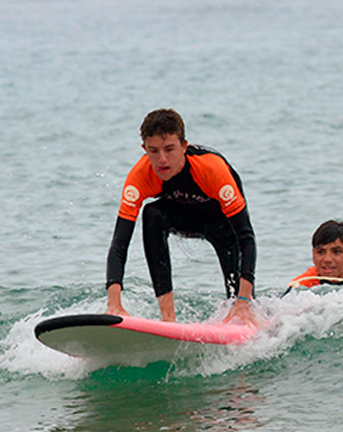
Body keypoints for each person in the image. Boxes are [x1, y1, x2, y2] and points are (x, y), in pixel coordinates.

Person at [104, 108, 258, 325]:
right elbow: (119, 243)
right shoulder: (140, 176)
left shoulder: (212, 169)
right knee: (153, 214)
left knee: (239, 302)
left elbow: (246, 238)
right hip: (183, 218)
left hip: (223, 225)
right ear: (144, 149)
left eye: (169, 149)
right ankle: (168, 317)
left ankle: (250, 307)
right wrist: (114, 303)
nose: (162, 159)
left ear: (184, 146)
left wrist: (243, 298)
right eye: (153, 151)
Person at [287, 220, 343, 289]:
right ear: (313, 256)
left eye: (336, 252)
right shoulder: (300, 285)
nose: (327, 259)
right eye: (321, 252)